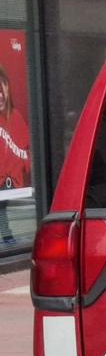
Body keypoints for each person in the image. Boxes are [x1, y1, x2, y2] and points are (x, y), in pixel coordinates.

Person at [0, 65, 31, 247]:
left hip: (9, 183)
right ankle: (8, 237)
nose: (1, 95)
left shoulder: (16, 117)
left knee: (2, 209)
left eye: (3, 87)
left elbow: (27, 152)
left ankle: (8, 237)